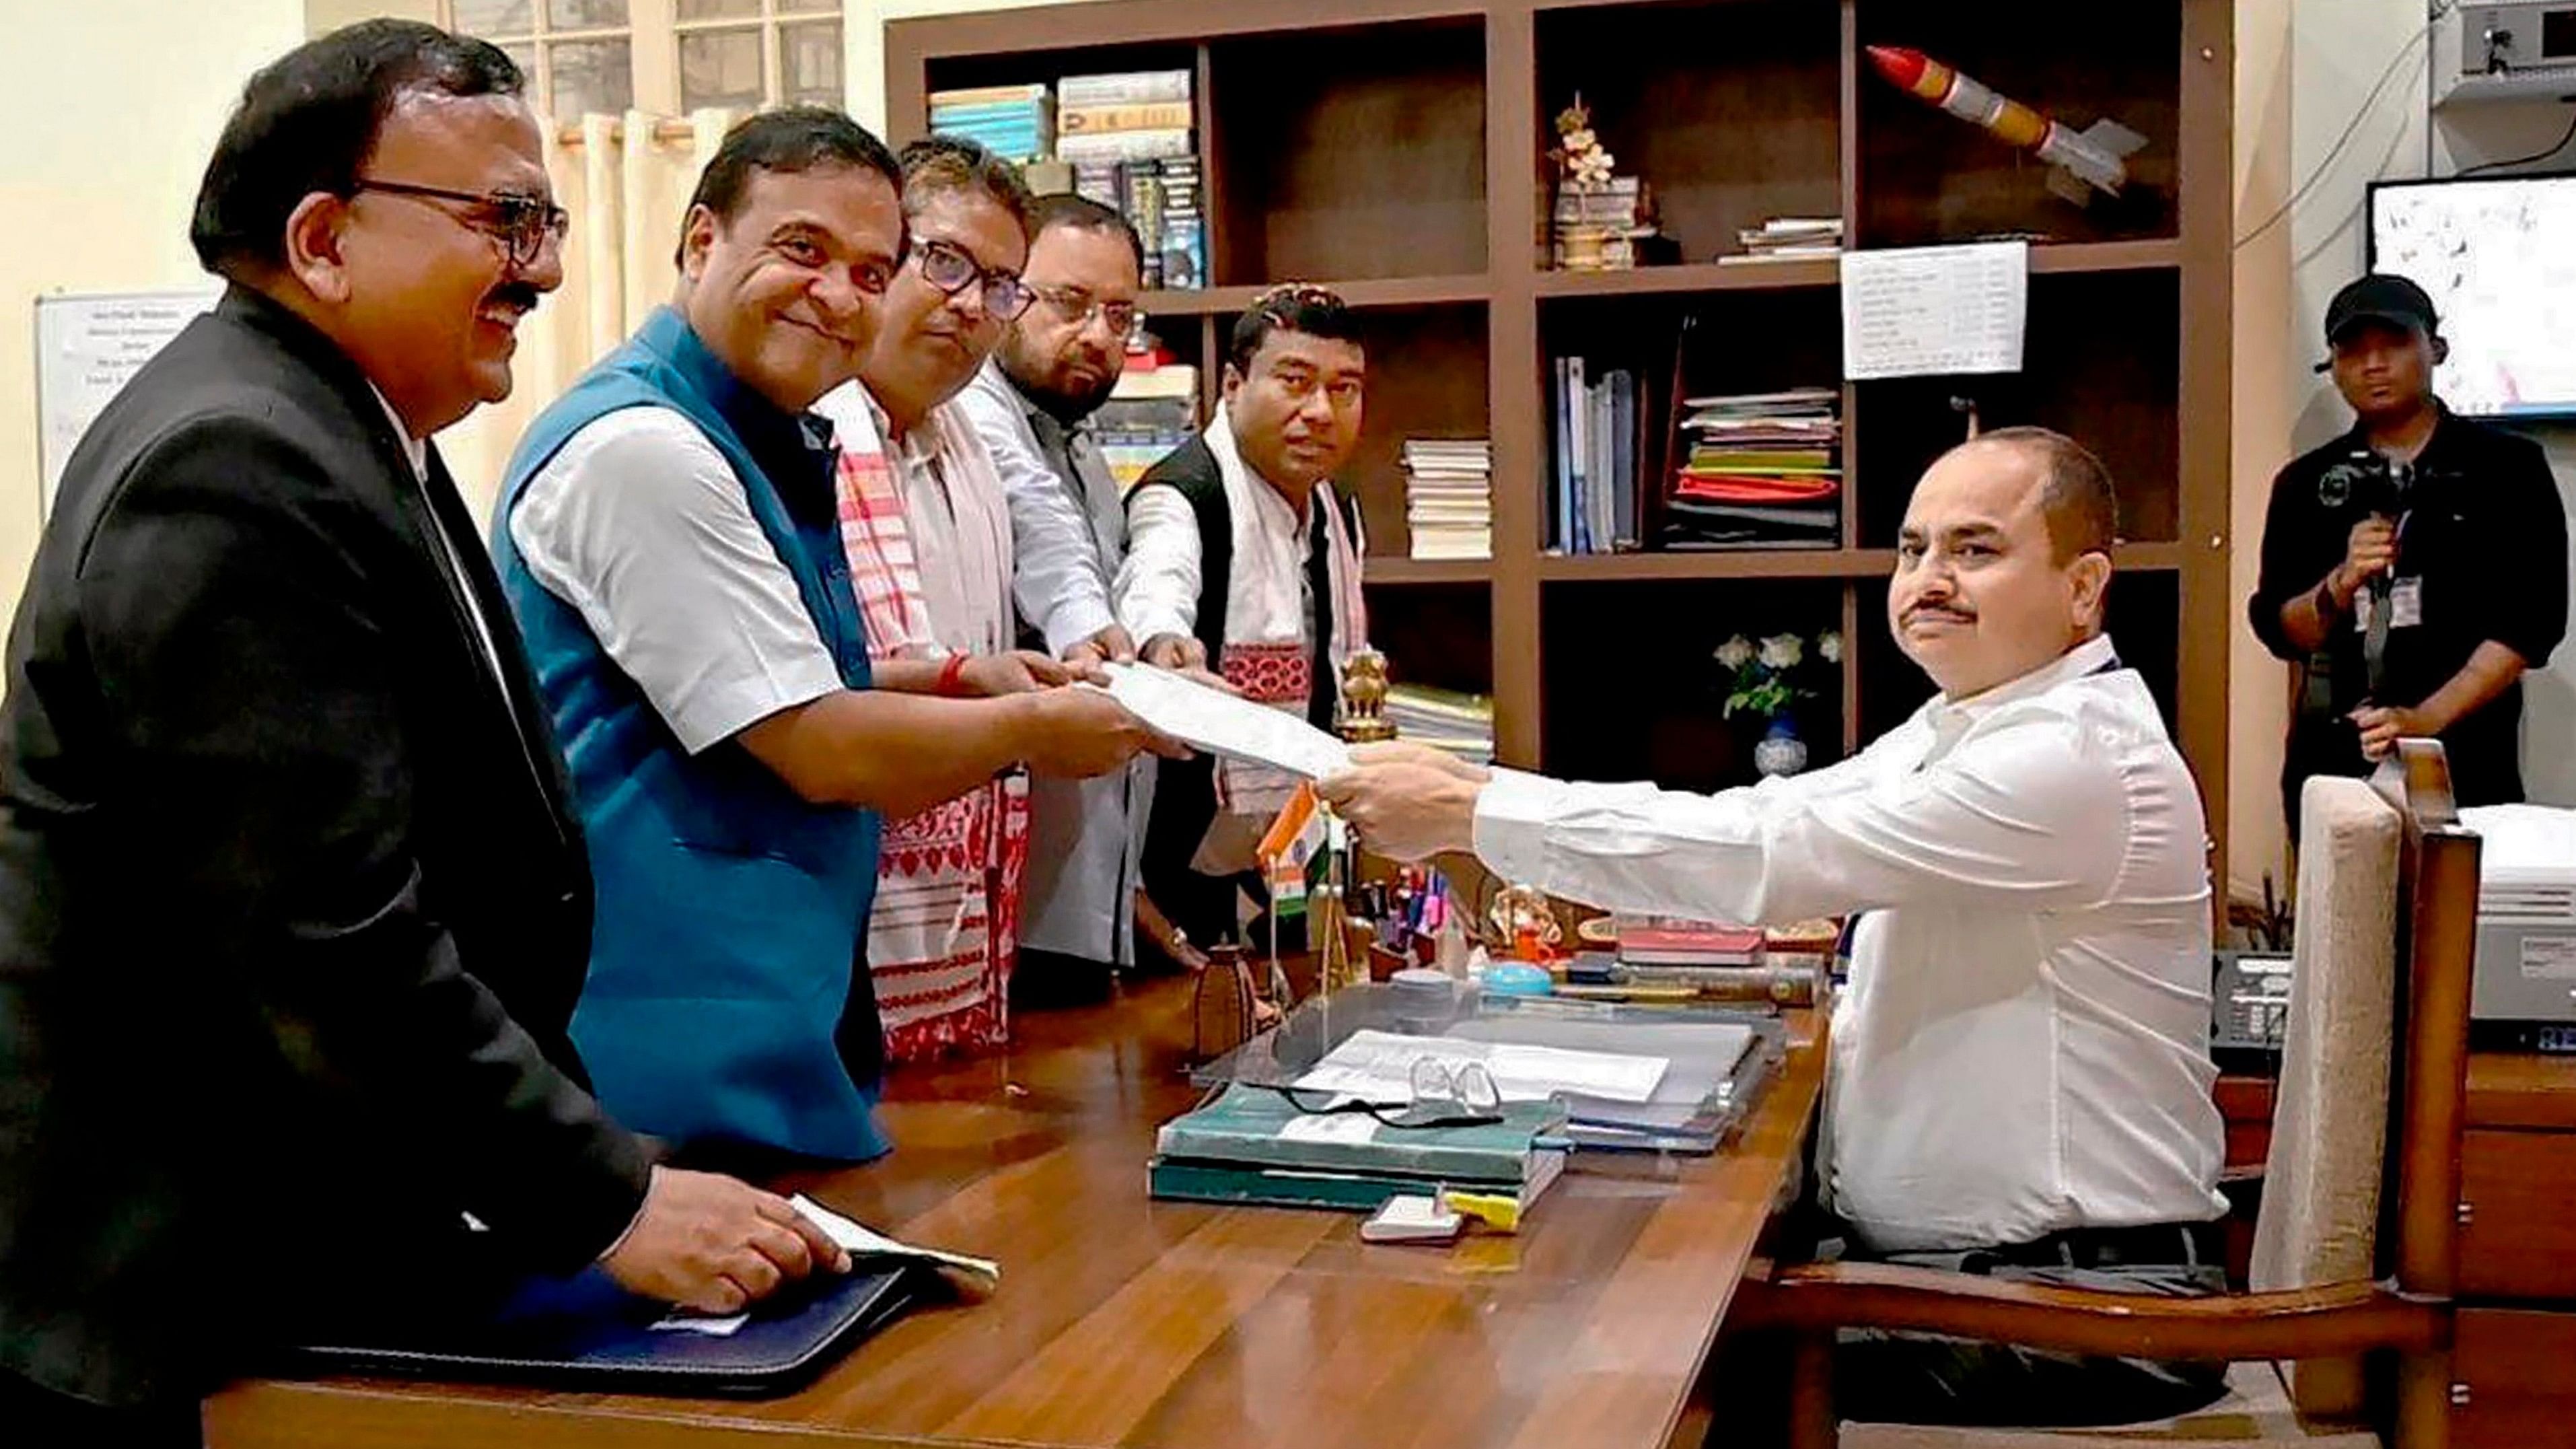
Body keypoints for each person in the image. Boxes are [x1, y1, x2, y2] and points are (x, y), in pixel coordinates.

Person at [0, 25, 849, 1446]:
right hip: (173, 1301)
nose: (549, 268)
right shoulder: (235, 459)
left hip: (328, 1238)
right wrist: (611, 1195)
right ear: (326, 237)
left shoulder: (343, 426)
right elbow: (328, 936)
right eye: (503, 221)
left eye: (550, 220)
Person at [1322, 428, 2231, 1429]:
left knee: (1615, 1364)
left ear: (2084, 587)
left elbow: (1763, 853)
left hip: (2074, 1310)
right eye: (1913, 548)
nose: (1929, 579)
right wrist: (1478, 784)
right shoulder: (1962, 725)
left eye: (1975, 551)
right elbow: (1762, 816)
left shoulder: (2075, 759)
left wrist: (1469, 818)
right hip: (1966, 1274)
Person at [493, 112, 1168, 1166]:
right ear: (700, 239)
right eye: (802, 250)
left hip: (773, 1018)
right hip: (663, 1051)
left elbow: (772, 677)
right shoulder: (644, 449)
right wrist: (1034, 726)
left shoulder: (761, 431)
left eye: (872, 268)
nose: (842, 296)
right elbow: (817, 744)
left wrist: (961, 680)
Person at [812, 135, 1072, 1059]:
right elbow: (805, 697)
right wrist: (990, 696)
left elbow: (1050, 557)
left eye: (1000, 287)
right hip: (826, 922)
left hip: (966, 924)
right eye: (946, 262)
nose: (970, 306)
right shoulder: (799, 435)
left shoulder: (974, 448)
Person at [2249, 273, 2567, 836]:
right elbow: (2281, 628)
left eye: (2393, 343)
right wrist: (2340, 583)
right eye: (2352, 350)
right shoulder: (2308, 482)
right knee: (2343, 922)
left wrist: (2423, 722)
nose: (2373, 363)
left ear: (2435, 349)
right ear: (2334, 365)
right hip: (2335, 769)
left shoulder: (2508, 467)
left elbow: (2530, 624)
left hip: (2467, 762)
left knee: (2457, 919)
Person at [1117, 283, 1370, 954]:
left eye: (1345, 389)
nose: (1320, 410)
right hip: (1168, 869)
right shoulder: (1184, 494)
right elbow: (1155, 583)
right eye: (1295, 381)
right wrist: (1165, 645)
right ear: (1232, 384)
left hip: (1287, 847)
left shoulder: (1335, 511)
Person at [953, 193, 1155, 1001]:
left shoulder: (1081, 444)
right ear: (1008, 292)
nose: (1100, 335)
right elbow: (1046, 540)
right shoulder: (972, 412)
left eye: (1121, 314)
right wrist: (1093, 632)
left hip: (1084, 899)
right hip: (1001, 905)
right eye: (1070, 303)